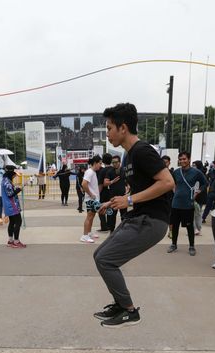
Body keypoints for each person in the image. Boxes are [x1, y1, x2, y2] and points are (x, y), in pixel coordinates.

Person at [93, 103, 174, 328]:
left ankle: (129, 311)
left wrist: (129, 200)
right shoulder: (128, 157)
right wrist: (114, 200)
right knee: (100, 254)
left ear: (123, 128)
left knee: (105, 259)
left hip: (151, 221)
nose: (107, 134)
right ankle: (121, 306)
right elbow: (138, 189)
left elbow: (168, 182)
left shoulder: (142, 151)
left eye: (109, 128)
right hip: (139, 217)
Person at [167, 152, 207, 255]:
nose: (182, 161)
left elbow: (205, 183)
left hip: (188, 204)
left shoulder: (196, 172)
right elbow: (171, 183)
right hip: (176, 204)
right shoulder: (176, 172)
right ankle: (173, 244)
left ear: (189, 159)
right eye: (180, 159)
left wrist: (198, 192)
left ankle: (192, 246)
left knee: (189, 227)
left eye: (184, 159)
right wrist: (174, 190)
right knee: (175, 225)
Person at [80, 155, 103, 243]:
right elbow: (84, 184)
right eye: (99, 163)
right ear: (95, 163)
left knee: (92, 216)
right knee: (89, 217)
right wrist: (91, 194)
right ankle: (84, 236)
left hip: (93, 199)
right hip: (90, 199)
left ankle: (89, 233)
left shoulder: (92, 172)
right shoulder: (89, 172)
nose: (100, 165)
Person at [1, 165, 25, 248]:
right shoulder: (7, 182)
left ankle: (10, 240)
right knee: (18, 221)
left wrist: (16, 188)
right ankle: (16, 241)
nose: (14, 176)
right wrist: (19, 189)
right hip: (12, 205)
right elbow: (10, 194)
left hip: (9, 205)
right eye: (14, 174)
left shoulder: (5, 180)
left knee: (12, 222)